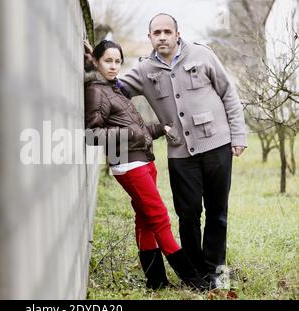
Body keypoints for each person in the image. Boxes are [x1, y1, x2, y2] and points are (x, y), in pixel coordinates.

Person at [115, 13, 248, 288]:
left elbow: (228, 94)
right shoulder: (143, 70)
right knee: (187, 214)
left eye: (167, 31)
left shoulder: (202, 54)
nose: (162, 36)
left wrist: (239, 135)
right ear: (149, 38)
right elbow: (112, 89)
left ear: (177, 34)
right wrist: (92, 62)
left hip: (217, 146)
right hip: (179, 153)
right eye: (156, 32)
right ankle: (196, 271)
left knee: (217, 212)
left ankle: (213, 270)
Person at [84, 39, 209, 290]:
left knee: (145, 220)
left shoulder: (113, 88)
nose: (113, 66)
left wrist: (159, 128)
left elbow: (132, 127)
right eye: (107, 61)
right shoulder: (97, 91)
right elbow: (91, 134)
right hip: (129, 166)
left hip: (141, 161)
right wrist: (132, 136)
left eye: (117, 61)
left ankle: (157, 282)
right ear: (96, 62)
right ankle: (193, 280)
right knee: (160, 218)